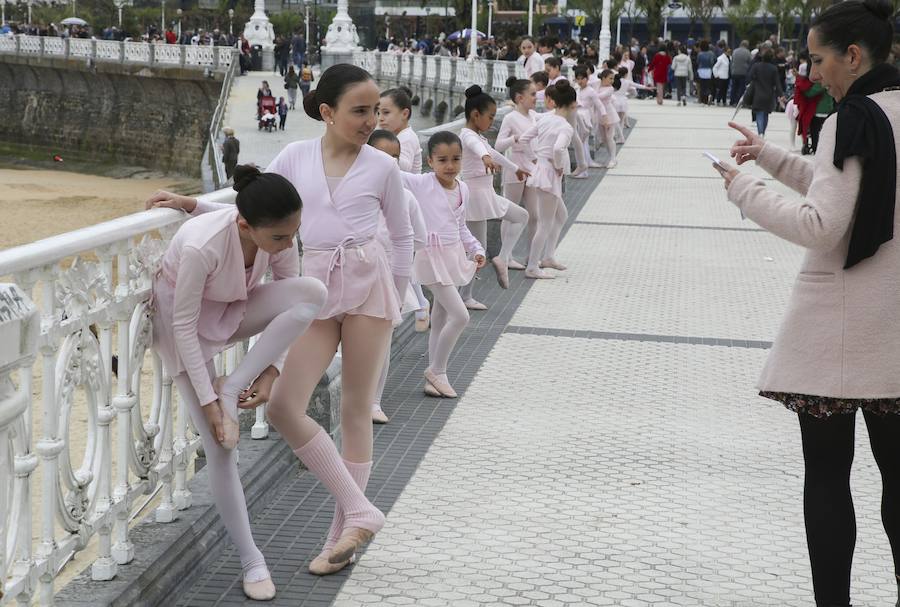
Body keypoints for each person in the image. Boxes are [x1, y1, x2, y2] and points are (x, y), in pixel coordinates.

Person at [152, 64, 412, 578]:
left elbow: (402, 239)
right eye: (360, 110)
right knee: (285, 408)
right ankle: (360, 510)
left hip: (366, 286)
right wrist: (195, 205)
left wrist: (396, 299)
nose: (370, 120)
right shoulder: (294, 156)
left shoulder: (384, 168)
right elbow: (258, 214)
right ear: (327, 112)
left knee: (356, 410)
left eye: (375, 110)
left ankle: (343, 535)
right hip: (310, 284)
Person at [716, 2, 900, 604]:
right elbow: (857, 184)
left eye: (820, 59)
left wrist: (745, 189)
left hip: (839, 337)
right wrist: (769, 157)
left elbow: (825, 222)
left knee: (827, 477)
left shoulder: (850, 119)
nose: (813, 72)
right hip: (896, 335)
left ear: (853, 55)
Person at [146, 165, 328, 600]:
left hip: (231, 309)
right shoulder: (200, 247)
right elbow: (184, 326)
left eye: (293, 234)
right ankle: (252, 560)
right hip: (181, 325)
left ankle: (234, 384)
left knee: (313, 294)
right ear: (246, 225)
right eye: (281, 238)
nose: (288, 244)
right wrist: (209, 402)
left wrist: (269, 370)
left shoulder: (270, 230)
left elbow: (290, 290)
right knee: (222, 446)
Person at [401, 132, 486, 397]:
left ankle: (436, 375)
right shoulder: (420, 183)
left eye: (456, 159)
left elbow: (461, 227)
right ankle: (436, 371)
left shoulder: (463, 188)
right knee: (461, 316)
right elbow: (390, 171)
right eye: (442, 160)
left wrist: (476, 249)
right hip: (430, 258)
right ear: (430, 161)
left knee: (440, 319)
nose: (450, 166)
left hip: (452, 257)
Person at [367, 130, 427, 423]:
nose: (390, 164)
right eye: (382, 157)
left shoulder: (406, 198)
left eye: (395, 157)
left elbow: (418, 239)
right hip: (356, 277)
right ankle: (354, 397)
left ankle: (374, 400)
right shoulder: (354, 193)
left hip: (390, 279)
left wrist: (397, 267)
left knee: (382, 342)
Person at [458, 85, 530, 307]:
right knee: (475, 249)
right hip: (474, 196)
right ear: (475, 115)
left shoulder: (479, 137)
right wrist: (485, 157)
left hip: (486, 193)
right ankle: (465, 296)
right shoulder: (467, 135)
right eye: (489, 117)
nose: (491, 122)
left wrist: (513, 166)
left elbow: (493, 152)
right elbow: (479, 149)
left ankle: (502, 257)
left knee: (521, 216)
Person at [377, 86, 431, 331]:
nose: (380, 118)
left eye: (386, 113)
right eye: (378, 112)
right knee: (404, 262)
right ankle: (420, 305)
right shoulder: (403, 136)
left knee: (402, 259)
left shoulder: (404, 139)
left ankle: (419, 305)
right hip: (406, 200)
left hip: (405, 202)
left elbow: (403, 166)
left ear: (405, 114)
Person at [517, 80, 577, 278]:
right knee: (545, 223)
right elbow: (559, 148)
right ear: (573, 104)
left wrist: (536, 157)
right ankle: (533, 266)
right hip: (549, 174)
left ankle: (548, 256)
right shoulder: (565, 127)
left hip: (541, 170)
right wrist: (557, 166)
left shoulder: (544, 119)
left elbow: (524, 139)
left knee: (561, 216)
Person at [497, 77, 542, 264]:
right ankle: (506, 256)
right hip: (515, 168)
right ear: (519, 97)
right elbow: (498, 145)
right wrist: (514, 138)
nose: (536, 97)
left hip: (532, 168)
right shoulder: (510, 118)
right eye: (532, 94)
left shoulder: (533, 116)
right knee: (510, 213)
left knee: (535, 215)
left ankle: (532, 256)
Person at [747, 48, 785, 136]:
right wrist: (781, 94)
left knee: (759, 114)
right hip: (769, 94)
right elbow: (777, 83)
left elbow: (750, 76)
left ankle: (760, 132)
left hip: (758, 93)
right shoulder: (773, 68)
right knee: (766, 114)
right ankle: (763, 131)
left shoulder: (756, 66)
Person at [730, 40, 752, 105]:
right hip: (743, 72)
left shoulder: (735, 51)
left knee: (733, 87)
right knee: (741, 88)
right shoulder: (747, 52)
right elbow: (750, 62)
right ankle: (738, 101)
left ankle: (732, 101)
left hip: (734, 72)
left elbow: (732, 61)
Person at [696, 40, 716, 105]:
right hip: (709, 70)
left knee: (702, 86)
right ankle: (709, 95)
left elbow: (698, 62)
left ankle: (703, 100)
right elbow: (713, 62)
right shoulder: (711, 54)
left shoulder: (700, 54)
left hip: (701, 70)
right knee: (708, 85)